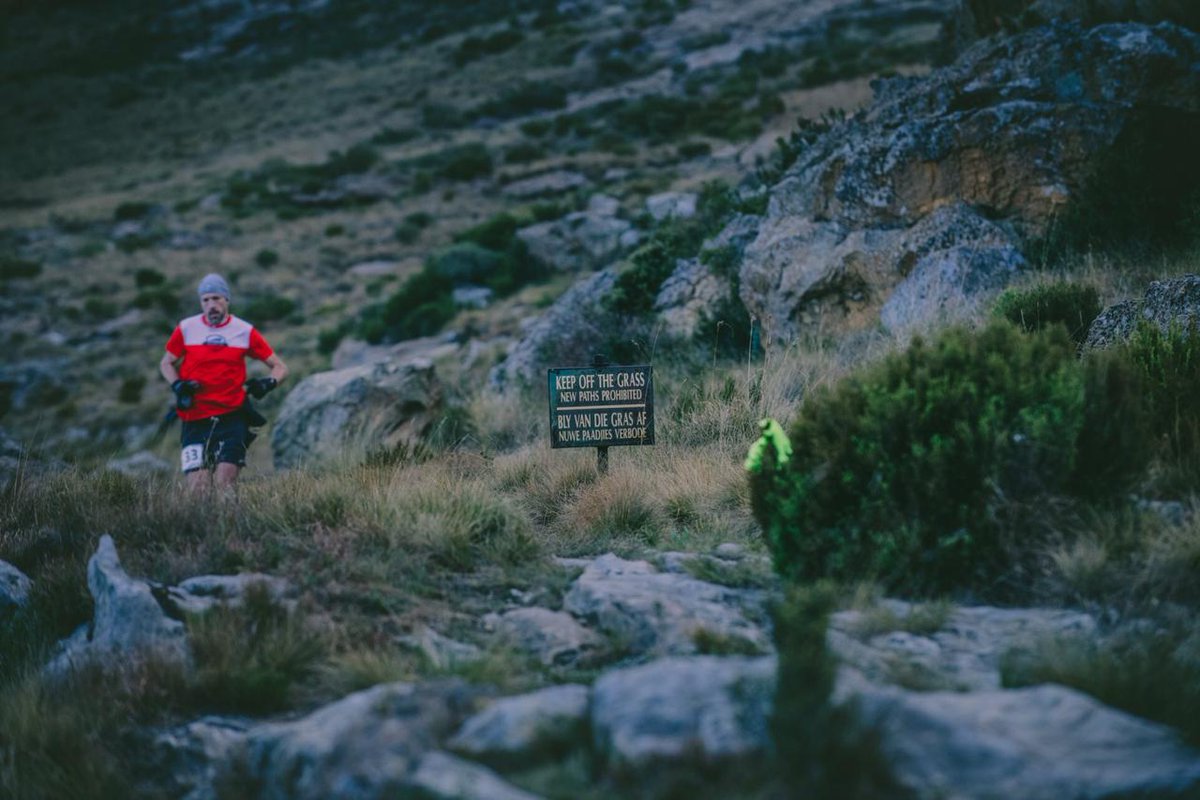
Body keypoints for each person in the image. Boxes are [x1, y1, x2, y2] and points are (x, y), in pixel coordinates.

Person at [160, 273, 288, 492]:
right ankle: (201, 527)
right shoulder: (186, 328)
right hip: (194, 419)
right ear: (201, 302)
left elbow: (281, 367)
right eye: (206, 300)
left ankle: (229, 525)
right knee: (198, 489)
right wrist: (177, 385)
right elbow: (166, 363)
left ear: (227, 300)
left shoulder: (244, 330)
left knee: (224, 485)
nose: (211, 305)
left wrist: (267, 384)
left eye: (216, 298)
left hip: (232, 417)